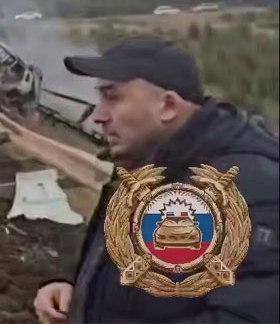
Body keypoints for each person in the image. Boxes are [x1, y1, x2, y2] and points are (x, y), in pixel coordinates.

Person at [33, 36, 279, 323]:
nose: (97, 116)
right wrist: (82, 297)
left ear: (168, 106)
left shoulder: (247, 190)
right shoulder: (148, 166)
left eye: (112, 97)